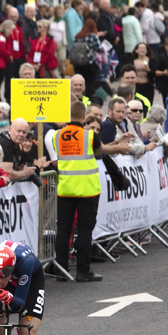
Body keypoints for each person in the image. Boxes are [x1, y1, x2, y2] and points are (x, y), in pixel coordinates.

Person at [53, 101, 130, 281]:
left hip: (65, 188)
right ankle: (83, 271)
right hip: (87, 189)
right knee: (86, 231)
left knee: (63, 230)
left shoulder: (57, 135)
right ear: (83, 116)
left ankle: (61, 272)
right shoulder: (89, 136)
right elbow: (98, 153)